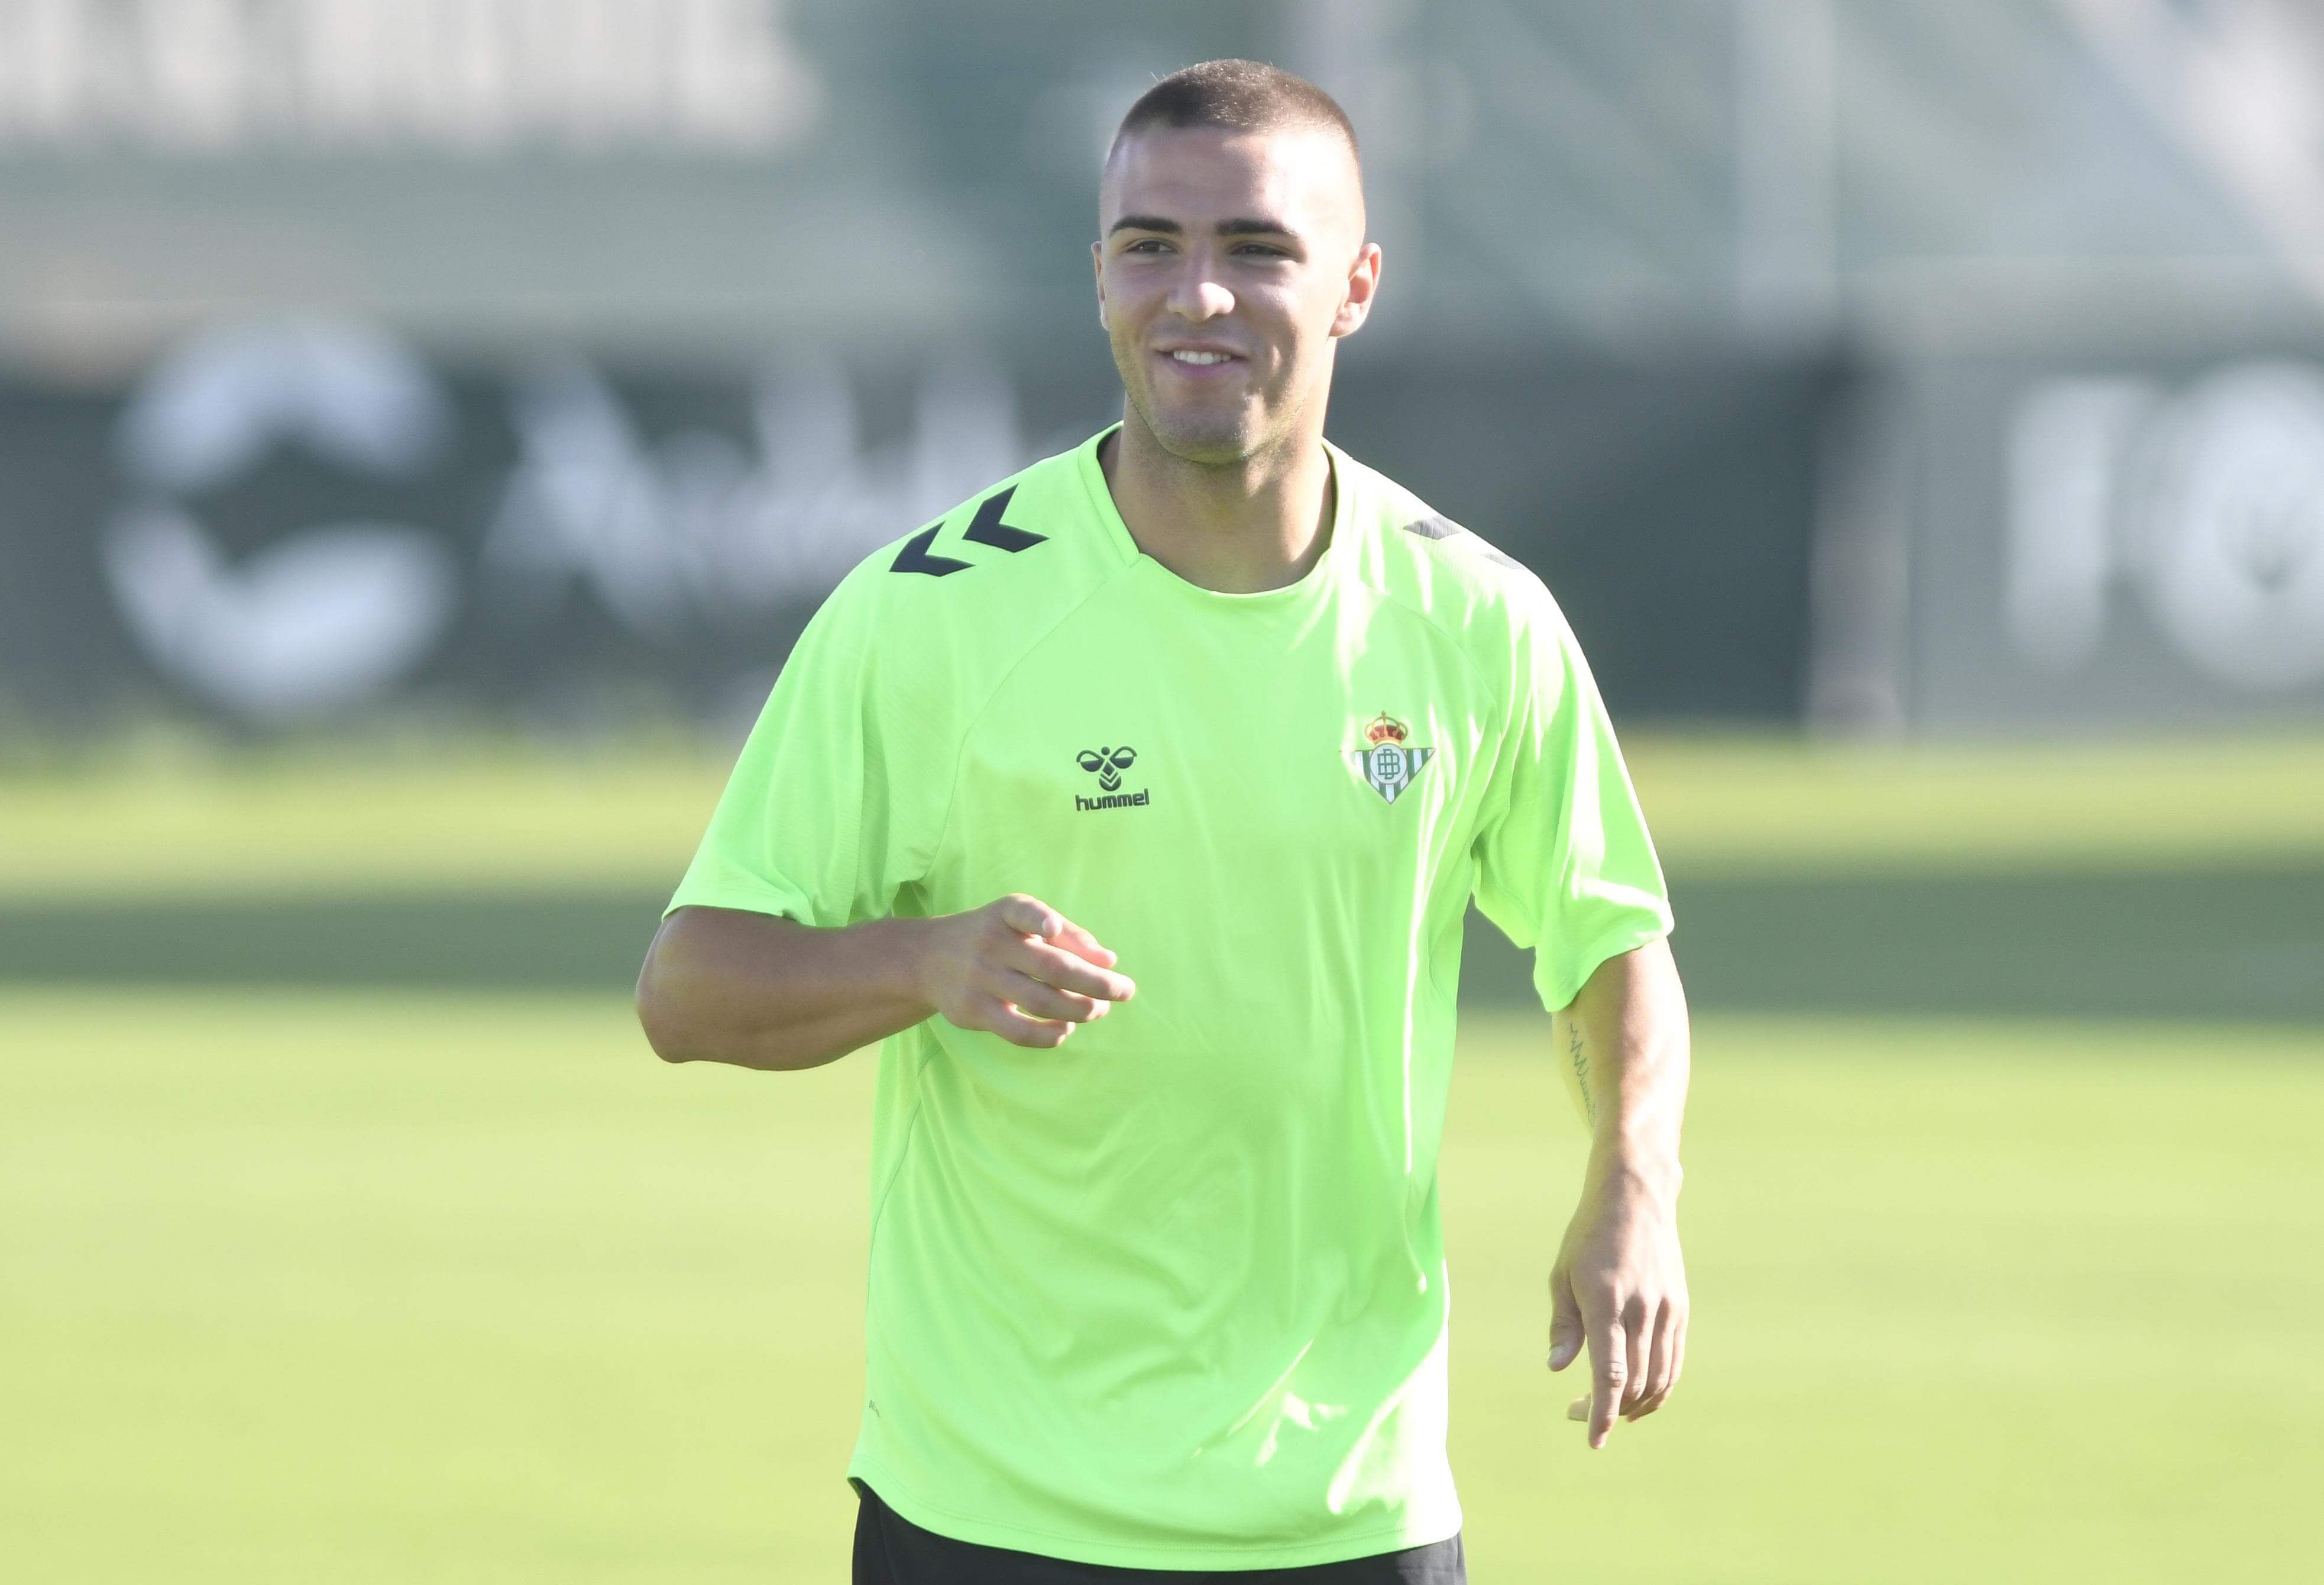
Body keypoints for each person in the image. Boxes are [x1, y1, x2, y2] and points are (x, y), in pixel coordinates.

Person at [636, 57, 1691, 1584]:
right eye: (1151, 247)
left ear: (1355, 286)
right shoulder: (928, 615)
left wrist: (1633, 1182)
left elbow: (1607, 939)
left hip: (1349, 1512)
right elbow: (688, 988)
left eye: (1256, 249)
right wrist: (920, 962)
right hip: (989, 1513)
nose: (1197, 294)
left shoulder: (1477, 621)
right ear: (1099, 278)